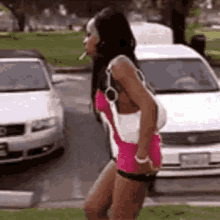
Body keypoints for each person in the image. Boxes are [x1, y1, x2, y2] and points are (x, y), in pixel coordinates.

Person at [83, 6, 167, 220]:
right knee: (93, 209)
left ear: (103, 39)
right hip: (123, 151)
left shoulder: (120, 67)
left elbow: (150, 107)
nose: (85, 40)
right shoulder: (110, 67)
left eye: (90, 34)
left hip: (137, 154)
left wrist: (141, 156)